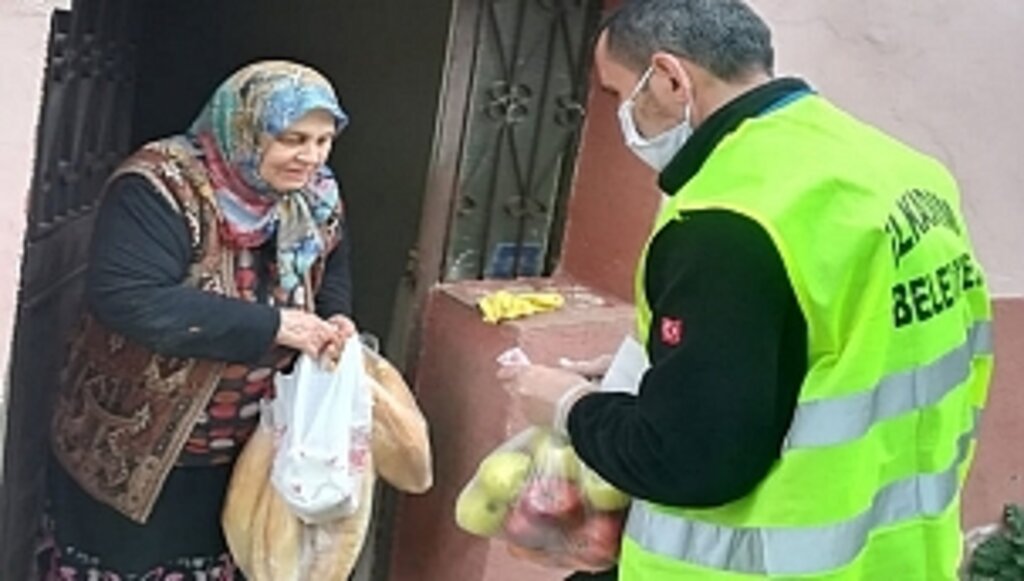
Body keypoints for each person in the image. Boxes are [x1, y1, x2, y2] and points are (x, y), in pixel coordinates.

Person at [499, 1, 994, 580]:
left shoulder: (730, 215)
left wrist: (567, 405)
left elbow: (690, 459)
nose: (620, 120)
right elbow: (844, 341)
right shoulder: (903, 172)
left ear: (669, 78)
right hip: (902, 556)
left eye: (617, 95)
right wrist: (683, 359)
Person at [37, 60, 355, 580]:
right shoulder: (161, 184)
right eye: (293, 138)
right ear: (245, 126)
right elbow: (129, 297)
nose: (311, 157)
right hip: (136, 444)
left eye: (323, 140)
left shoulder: (316, 194)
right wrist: (276, 326)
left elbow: (332, 262)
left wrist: (336, 317)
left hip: (246, 446)